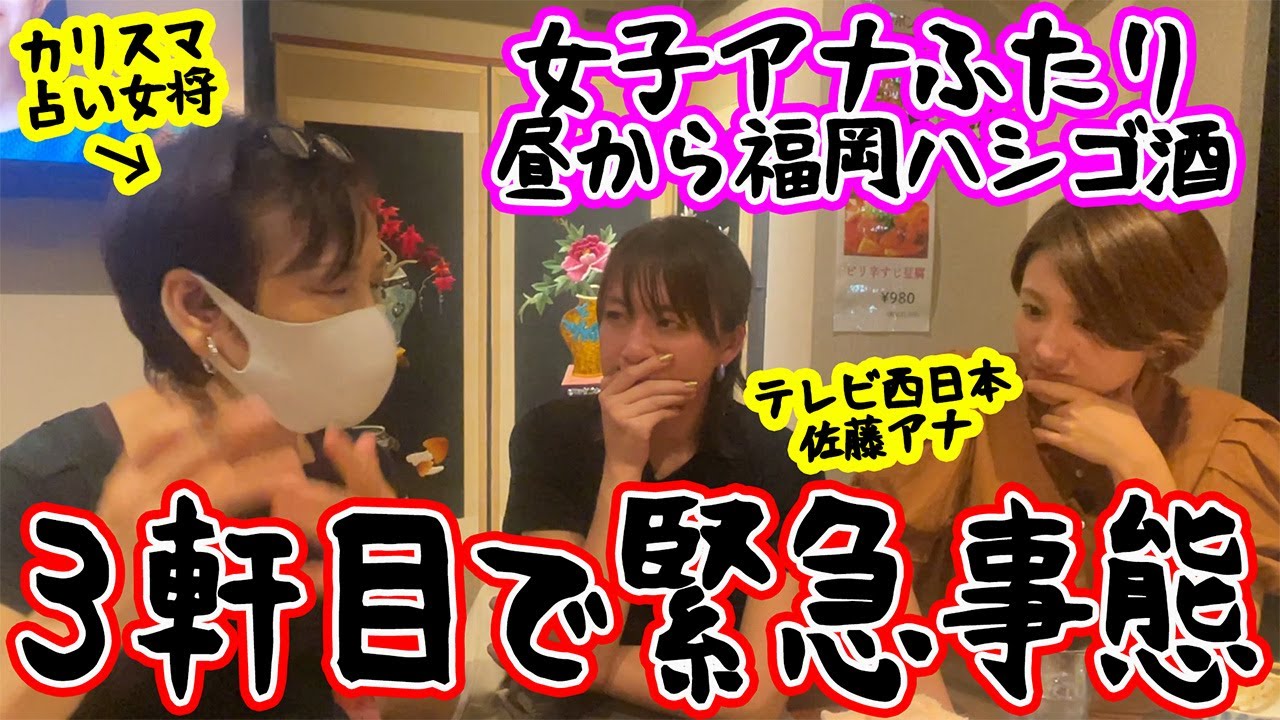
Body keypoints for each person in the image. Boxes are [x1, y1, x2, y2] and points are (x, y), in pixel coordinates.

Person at [0, 114, 413, 719]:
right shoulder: (39, 487)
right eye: (335, 288)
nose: (371, 318)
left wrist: (403, 610)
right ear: (198, 307)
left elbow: (416, 709)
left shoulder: (351, 469)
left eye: (373, 286)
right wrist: (104, 605)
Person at [859, 199, 1280, 719]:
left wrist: (1141, 468)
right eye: (1034, 310)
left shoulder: (1226, 438)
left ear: (1161, 334)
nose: (1048, 349)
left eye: (1093, 324)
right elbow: (877, 577)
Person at [500, 215, 813, 718]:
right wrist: (623, 466)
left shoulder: (777, 462)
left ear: (729, 343)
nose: (632, 349)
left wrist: (596, 667)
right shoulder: (551, 437)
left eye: (668, 323)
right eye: (616, 315)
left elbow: (756, 699)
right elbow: (562, 643)